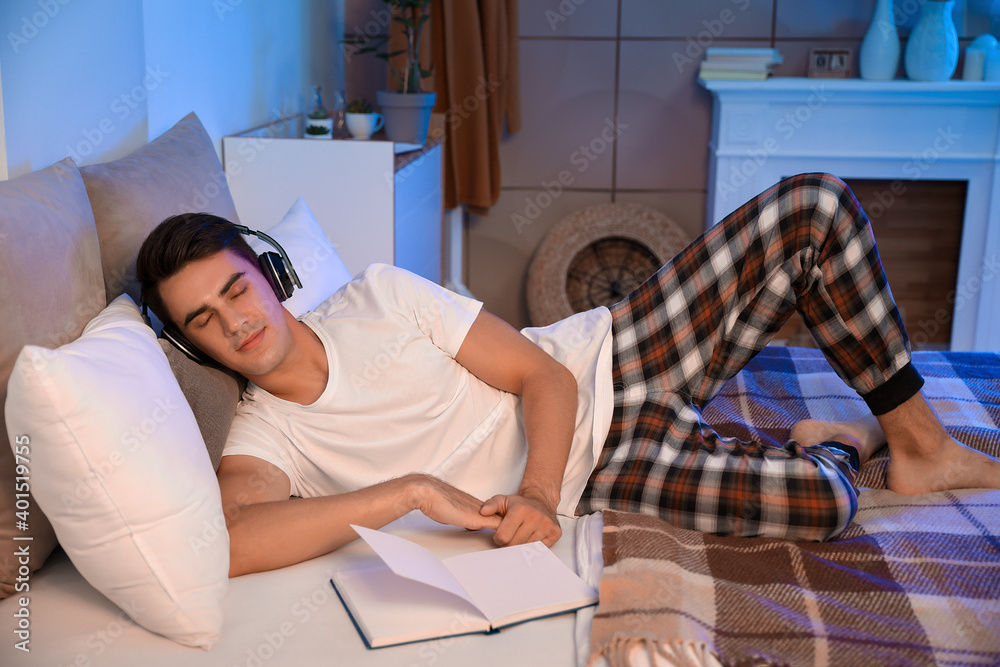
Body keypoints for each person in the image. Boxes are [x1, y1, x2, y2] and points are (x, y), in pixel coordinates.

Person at [136, 173, 1000, 577]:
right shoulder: (260, 433)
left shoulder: (380, 296)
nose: (235, 323)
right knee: (827, 504)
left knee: (813, 208)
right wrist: (402, 490)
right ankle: (839, 439)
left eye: (235, 290)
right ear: (191, 347)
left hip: (610, 357)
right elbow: (232, 537)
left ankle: (919, 443)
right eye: (202, 320)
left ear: (272, 274)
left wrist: (539, 493)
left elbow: (543, 377)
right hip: (609, 470)